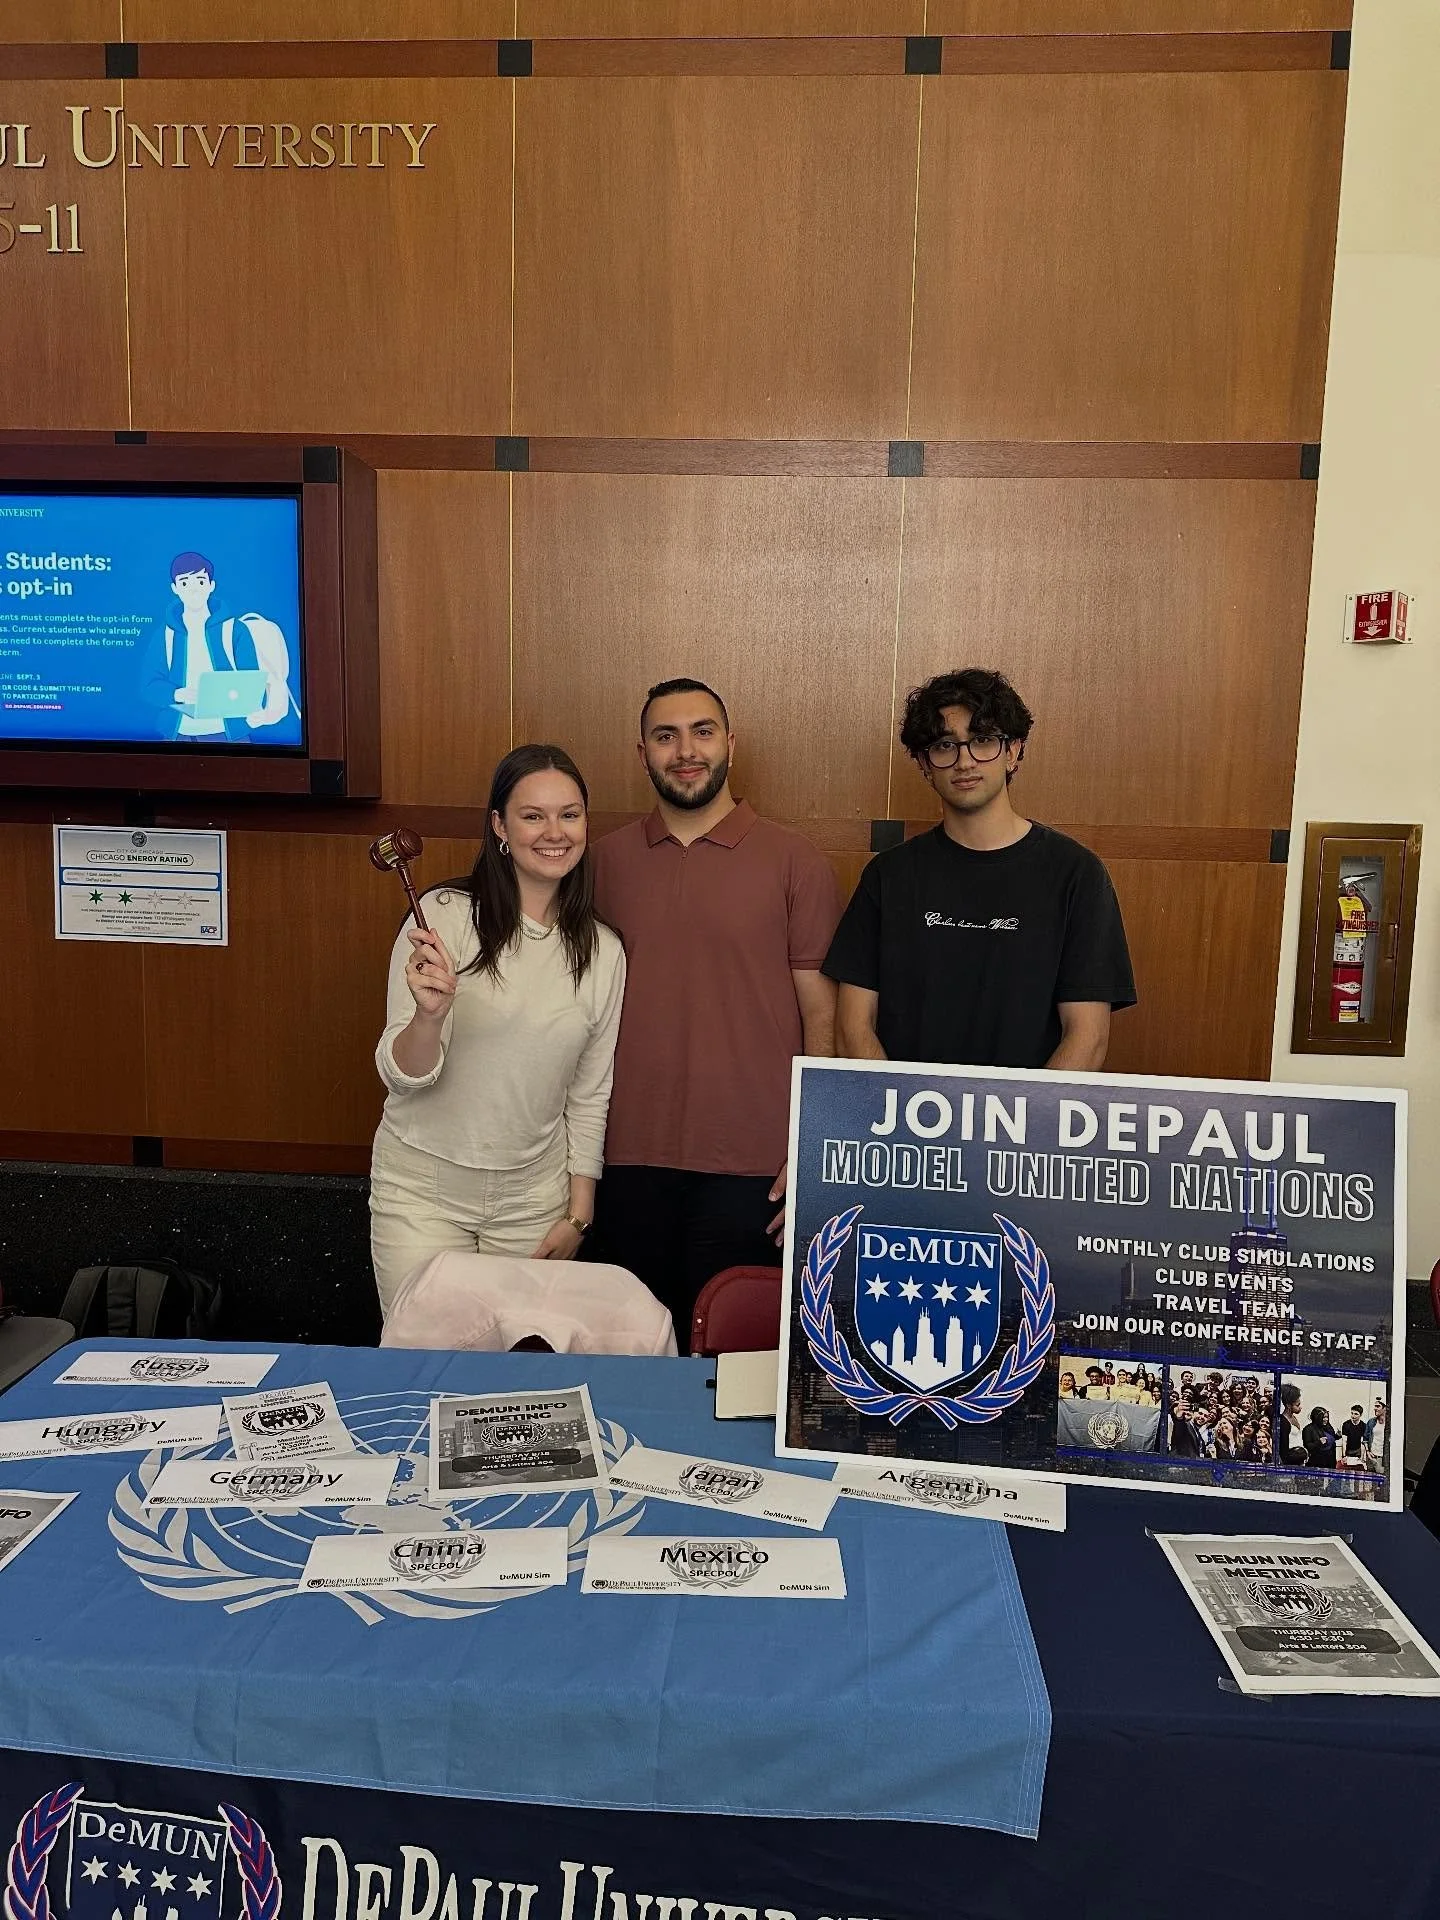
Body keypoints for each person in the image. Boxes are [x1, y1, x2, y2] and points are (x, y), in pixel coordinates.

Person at [587, 678, 840, 1347]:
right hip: (625, 1157)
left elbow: (823, 1015)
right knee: (634, 1358)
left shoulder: (795, 860)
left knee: (732, 1367)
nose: (685, 751)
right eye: (665, 736)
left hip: (755, 1163)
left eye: (702, 732)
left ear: (731, 743)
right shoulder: (601, 862)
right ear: (642, 753)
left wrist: (813, 1146)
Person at [369, 745, 626, 1318]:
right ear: (500, 826)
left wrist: (579, 1214)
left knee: (518, 1366)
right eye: (533, 815)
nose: (554, 832)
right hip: (421, 1192)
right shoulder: (442, 915)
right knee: (424, 1355)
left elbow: (590, 1092)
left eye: (569, 814)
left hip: (533, 1200)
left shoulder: (604, 951)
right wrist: (429, 1017)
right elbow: (401, 1077)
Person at [824, 668, 1135, 1067]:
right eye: (944, 746)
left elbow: (1087, 1039)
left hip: (1025, 1108)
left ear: (1013, 751)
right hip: (905, 1106)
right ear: (924, 763)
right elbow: (853, 1028)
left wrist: (1024, 1111)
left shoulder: (1077, 874)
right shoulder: (888, 876)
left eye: (983, 740)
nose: (964, 761)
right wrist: (898, 1104)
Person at [141, 551, 297, 742]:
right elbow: (149, 686)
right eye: (184, 583)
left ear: (211, 585)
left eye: (200, 582)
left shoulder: (234, 630)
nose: (193, 590)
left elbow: (251, 681)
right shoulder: (165, 634)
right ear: (174, 588)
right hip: (178, 734)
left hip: (228, 733)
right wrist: (177, 694)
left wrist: (258, 709)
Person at [1278, 1383, 1307, 1465]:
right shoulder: (1283, 1422)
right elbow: (1283, 1449)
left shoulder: (1293, 1417)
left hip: (1299, 1459)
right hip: (1291, 1461)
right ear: (1288, 1405)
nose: (1300, 1407)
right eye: (1297, 1405)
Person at [1302, 1406, 1338, 1471]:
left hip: (1330, 1460)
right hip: (1317, 1463)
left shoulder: (1328, 1427)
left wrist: (1337, 1436)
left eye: (1327, 1417)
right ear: (1317, 1417)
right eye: (1323, 1417)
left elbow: (1330, 1439)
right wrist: (1318, 1442)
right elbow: (1307, 1446)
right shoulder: (1308, 1429)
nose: (1326, 1419)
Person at [1340, 1402, 1369, 1473]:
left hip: (1358, 1451)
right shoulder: (1346, 1424)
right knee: (1347, 1472)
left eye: (1356, 1414)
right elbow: (1344, 1441)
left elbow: (1362, 1442)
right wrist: (1344, 1455)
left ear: (1360, 1415)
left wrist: (1362, 1457)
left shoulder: (1363, 1426)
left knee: (1358, 1471)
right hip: (1348, 1450)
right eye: (1352, 1413)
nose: (1353, 1416)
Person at [1366, 1397, 1389, 1474]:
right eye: (1375, 1406)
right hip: (1371, 1457)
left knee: (1382, 1478)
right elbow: (1365, 1438)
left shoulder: (1390, 1424)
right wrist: (1368, 1452)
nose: (1375, 1408)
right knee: (1369, 1479)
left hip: (1382, 1459)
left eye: (1378, 1406)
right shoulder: (1371, 1422)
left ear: (1385, 1408)